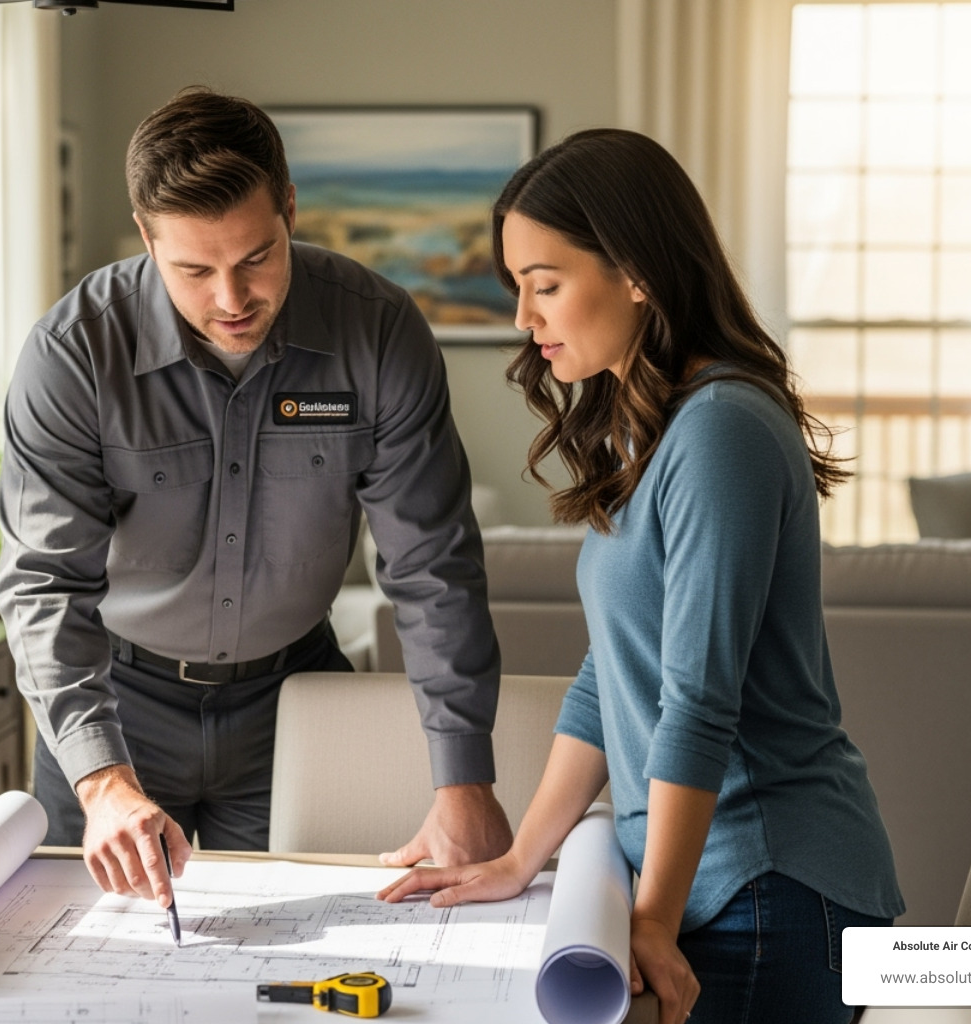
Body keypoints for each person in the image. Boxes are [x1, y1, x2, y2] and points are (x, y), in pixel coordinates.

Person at [378, 129, 904, 1024]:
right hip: (711, 886)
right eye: (517, 287)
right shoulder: (654, 426)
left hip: (767, 894)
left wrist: (655, 915)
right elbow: (612, 675)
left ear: (636, 273)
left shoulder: (721, 431)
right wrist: (520, 859)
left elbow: (699, 700)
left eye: (546, 284)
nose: (523, 317)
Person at [0, 87, 511, 912]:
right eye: (195, 271)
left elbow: (432, 566)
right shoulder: (74, 353)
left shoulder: (378, 333)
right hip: (115, 705)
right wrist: (101, 782)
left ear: (290, 210)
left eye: (257, 258)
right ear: (147, 238)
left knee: (315, 955)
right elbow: (44, 582)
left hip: (294, 704)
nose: (232, 300)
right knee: (79, 951)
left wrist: (464, 783)